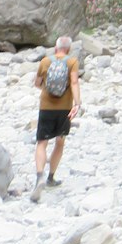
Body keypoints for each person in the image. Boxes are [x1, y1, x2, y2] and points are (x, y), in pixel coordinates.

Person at [31, 34, 81, 201]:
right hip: (64, 109)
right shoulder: (72, 62)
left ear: (56, 47)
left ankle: (39, 176)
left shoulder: (45, 61)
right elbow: (74, 83)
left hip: (46, 107)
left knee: (42, 143)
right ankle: (51, 177)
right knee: (59, 142)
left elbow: (37, 83)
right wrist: (77, 103)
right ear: (69, 49)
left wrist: (47, 90)